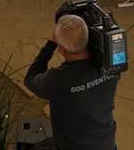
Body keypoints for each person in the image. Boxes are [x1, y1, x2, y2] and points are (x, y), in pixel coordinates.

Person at [25, 14, 120, 150]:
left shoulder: (58, 79)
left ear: (61, 49)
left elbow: (30, 79)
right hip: (105, 145)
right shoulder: (111, 65)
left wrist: (50, 44)